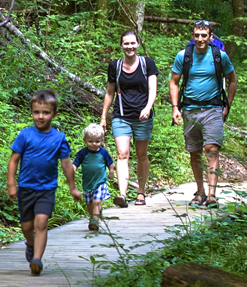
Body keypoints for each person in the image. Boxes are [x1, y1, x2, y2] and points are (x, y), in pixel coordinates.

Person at [7, 89, 82, 276]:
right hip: (26, 187)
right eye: (36, 112)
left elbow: (66, 165)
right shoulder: (25, 135)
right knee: (26, 226)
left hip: (47, 188)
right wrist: (11, 184)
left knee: (41, 222)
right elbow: (14, 160)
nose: (40, 116)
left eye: (46, 112)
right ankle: (30, 244)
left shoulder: (59, 138)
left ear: (55, 114)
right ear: (31, 112)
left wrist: (73, 188)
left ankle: (37, 260)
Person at [169, 20, 237, 209]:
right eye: (197, 35)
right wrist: (175, 107)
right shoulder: (183, 56)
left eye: (204, 35)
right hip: (190, 109)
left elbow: (232, 80)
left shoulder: (219, 56)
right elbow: (174, 82)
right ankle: (200, 191)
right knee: (195, 153)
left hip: (213, 109)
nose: (200, 39)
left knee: (212, 150)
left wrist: (227, 106)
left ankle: (212, 194)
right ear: (192, 36)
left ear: (210, 36)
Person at [100, 30, 158, 207]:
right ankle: (122, 195)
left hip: (143, 116)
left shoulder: (147, 64)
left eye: (133, 43)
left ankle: (141, 192)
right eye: (126, 43)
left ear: (138, 44)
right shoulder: (115, 66)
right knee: (122, 153)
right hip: (121, 116)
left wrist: (147, 108)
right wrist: (104, 116)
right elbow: (110, 92)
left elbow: (152, 90)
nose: (130, 47)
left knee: (141, 154)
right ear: (121, 45)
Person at [72, 124, 115, 232]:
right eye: (90, 141)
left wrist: (111, 172)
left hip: (100, 182)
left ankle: (95, 220)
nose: (94, 144)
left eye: (97, 141)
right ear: (85, 140)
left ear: (102, 140)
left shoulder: (103, 153)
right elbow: (75, 164)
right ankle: (94, 217)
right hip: (87, 184)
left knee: (96, 201)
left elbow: (110, 163)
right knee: (89, 204)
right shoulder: (83, 153)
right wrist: (72, 170)